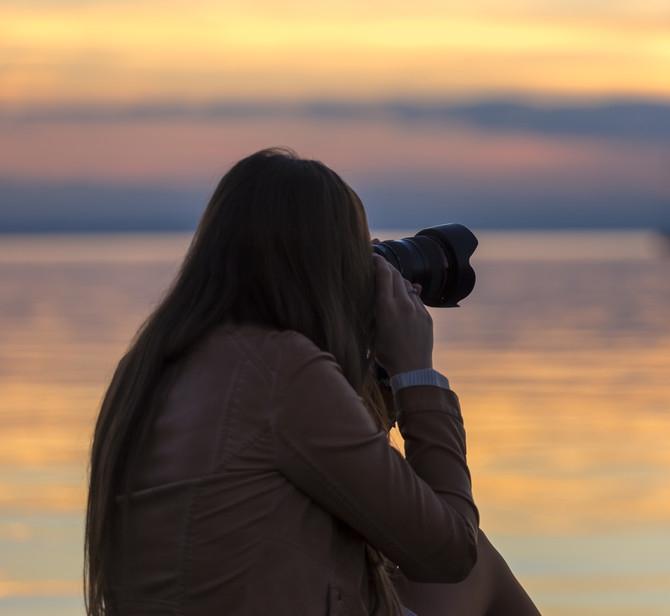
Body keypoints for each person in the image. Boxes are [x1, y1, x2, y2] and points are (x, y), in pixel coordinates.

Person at [84, 147, 540, 615]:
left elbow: (346, 479)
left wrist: (372, 365)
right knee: (479, 563)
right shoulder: (282, 370)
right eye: (355, 254)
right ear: (327, 267)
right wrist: (416, 373)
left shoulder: (153, 365)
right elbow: (449, 552)